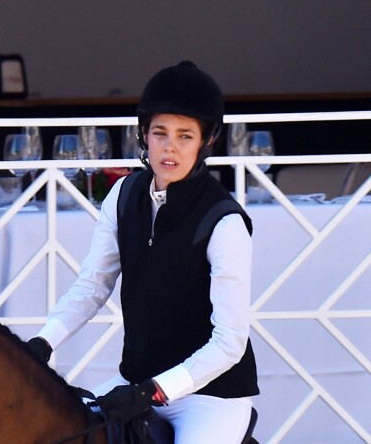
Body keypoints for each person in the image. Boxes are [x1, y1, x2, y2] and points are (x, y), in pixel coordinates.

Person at [29, 61, 259, 443]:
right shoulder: (123, 195)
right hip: (134, 381)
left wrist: (150, 391)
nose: (170, 146)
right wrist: (43, 342)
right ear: (143, 136)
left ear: (206, 141)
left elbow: (229, 342)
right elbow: (93, 286)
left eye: (185, 136)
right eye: (160, 133)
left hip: (210, 398)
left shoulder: (225, 222)